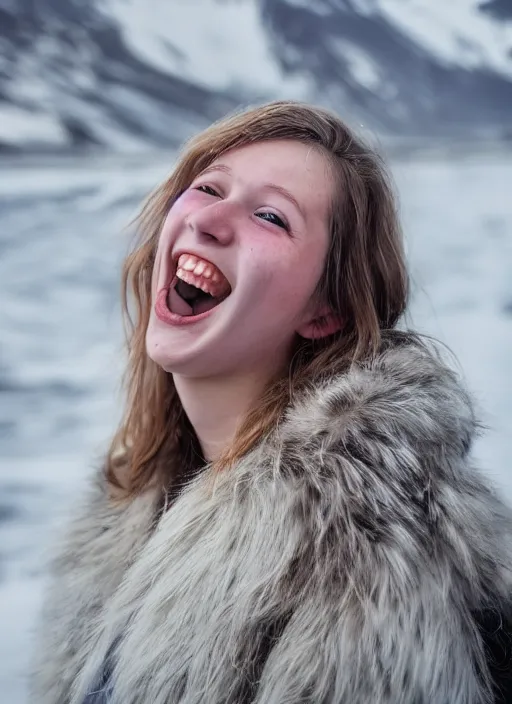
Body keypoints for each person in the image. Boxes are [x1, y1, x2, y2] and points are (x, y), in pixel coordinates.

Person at [31, 101, 512, 704]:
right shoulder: (136, 492)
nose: (209, 220)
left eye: (270, 216)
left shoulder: (361, 550)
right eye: (207, 187)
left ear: (325, 311)